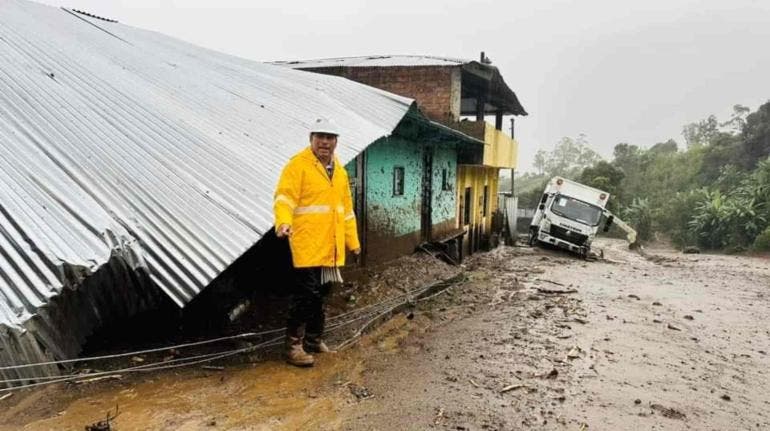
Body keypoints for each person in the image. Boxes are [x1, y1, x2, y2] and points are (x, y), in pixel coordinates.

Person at [273, 118, 360, 367]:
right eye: (320, 137)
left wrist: (353, 241)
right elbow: (284, 197)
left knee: (322, 292)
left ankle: (313, 339)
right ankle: (292, 347)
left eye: (330, 137)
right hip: (306, 243)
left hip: (330, 246)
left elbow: (346, 211)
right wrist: (283, 222)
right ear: (311, 138)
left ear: (336, 141)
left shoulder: (340, 172)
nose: (325, 142)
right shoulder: (298, 165)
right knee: (306, 294)